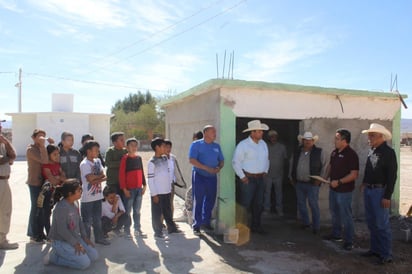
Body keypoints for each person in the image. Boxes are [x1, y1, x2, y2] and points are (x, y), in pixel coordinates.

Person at [360, 123, 397, 265]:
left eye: (372, 135)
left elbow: (392, 176)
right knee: (371, 222)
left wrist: (387, 196)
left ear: (381, 137)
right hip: (369, 190)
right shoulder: (372, 150)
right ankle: (375, 249)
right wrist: (364, 182)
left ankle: (386, 254)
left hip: (379, 191)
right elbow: (369, 169)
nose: (369, 138)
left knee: (381, 224)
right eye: (369, 135)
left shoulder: (389, 153)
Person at [44, 179, 98, 270]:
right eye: (78, 190)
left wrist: (85, 237)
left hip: (74, 237)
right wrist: (75, 244)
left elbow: (79, 220)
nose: (81, 192)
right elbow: (62, 230)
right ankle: (54, 257)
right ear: (70, 194)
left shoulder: (75, 202)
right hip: (61, 241)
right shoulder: (61, 208)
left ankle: (66, 253)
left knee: (94, 256)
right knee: (84, 263)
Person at [323, 129, 359, 251]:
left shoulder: (351, 154)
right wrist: (325, 177)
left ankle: (349, 241)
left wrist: (338, 182)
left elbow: (354, 175)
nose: (335, 141)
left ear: (344, 141)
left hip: (344, 191)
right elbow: (331, 166)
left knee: (346, 216)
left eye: (337, 138)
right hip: (333, 190)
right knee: (334, 213)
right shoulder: (334, 153)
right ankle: (336, 234)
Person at [232, 120, 269, 234]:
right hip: (248, 179)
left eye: (261, 131)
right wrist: (242, 177)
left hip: (260, 178)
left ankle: (256, 226)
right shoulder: (243, 145)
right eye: (259, 131)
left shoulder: (263, 144)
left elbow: (267, 159)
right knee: (245, 204)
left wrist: (265, 171)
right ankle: (241, 228)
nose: (261, 133)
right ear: (252, 133)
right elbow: (235, 162)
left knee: (258, 204)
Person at [189, 125, 224, 236]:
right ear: (205, 133)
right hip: (199, 175)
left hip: (212, 177)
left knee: (210, 200)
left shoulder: (216, 146)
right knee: (198, 200)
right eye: (213, 131)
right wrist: (206, 168)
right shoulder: (196, 145)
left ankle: (206, 222)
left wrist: (219, 168)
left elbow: (221, 160)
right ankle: (197, 225)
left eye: (215, 131)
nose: (215, 133)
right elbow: (192, 160)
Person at [290, 131, 327, 235]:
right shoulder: (297, 152)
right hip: (299, 183)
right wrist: (291, 177)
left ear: (313, 141)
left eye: (309, 140)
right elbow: (292, 164)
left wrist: (320, 180)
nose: (307, 142)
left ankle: (316, 226)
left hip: (312, 184)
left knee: (313, 204)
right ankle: (306, 223)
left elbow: (324, 166)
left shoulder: (319, 152)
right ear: (302, 141)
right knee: (301, 204)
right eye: (305, 140)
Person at [147, 137, 180, 239]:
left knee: (168, 211)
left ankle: (171, 228)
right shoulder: (152, 162)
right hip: (158, 192)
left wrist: (169, 189)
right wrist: (154, 194)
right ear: (157, 147)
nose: (165, 148)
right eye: (163, 146)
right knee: (157, 213)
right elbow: (151, 180)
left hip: (167, 191)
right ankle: (158, 232)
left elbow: (169, 174)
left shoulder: (165, 158)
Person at [26, 129, 54, 243]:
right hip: (34, 183)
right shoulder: (31, 150)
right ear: (33, 138)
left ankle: (40, 233)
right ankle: (33, 234)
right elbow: (44, 160)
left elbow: (51, 157)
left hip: (43, 184)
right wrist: (43, 146)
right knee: (35, 208)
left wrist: (51, 145)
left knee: (43, 209)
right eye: (39, 136)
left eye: (44, 136)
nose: (42, 138)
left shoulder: (41, 148)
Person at [80, 140, 110, 245]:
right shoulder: (84, 164)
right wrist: (100, 178)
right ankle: (86, 241)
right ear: (88, 151)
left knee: (97, 219)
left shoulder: (97, 161)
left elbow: (102, 175)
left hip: (97, 196)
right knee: (87, 222)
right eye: (95, 150)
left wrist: (95, 178)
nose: (97, 153)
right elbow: (90, 179)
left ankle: (99, 238)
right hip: (87, 198)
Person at [119, 137, 147, 238]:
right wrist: (124, 189)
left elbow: (142, 172)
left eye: (136, 145)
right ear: (127, 147)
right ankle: (127, 230)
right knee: (127, 211)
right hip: (129, 189)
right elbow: (121, 175)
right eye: (132, 145)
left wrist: (144, 185)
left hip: (139, 189)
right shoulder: (125, 159)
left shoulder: (138, 158)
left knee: (137, 210)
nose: (134, 147)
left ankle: (137, 229)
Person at [38, 144, 66, 239]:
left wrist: (57, 178)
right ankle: (49, 234)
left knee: (58, 213)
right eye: (54, 154)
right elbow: (53, 180)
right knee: (46, 214)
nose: (57, 156)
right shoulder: (46, 166)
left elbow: (64, 178)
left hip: (57, 192)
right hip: (48, 193)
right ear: (48, 155)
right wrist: (58, 178)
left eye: (58, 154)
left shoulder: (58, 165)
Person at [0, 120, 18, 249]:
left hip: (4, 180)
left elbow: (13, 156)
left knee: (5, 210)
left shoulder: (2, 144)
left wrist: (6, 143)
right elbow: (5, 159)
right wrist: (8, 157)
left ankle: (2, 239)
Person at [263, 130, 288, 216]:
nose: (273, 138)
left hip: (279, 174)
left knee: (279, 193)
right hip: (267, 174)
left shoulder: (282, 147)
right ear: (269, 138)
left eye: (274, 136)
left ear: (277, 137)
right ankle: (266, 209)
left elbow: (285, 160)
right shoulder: (265, 146)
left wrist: (285, 174)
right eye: (271, 137)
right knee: (267, 193)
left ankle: (279, 209)